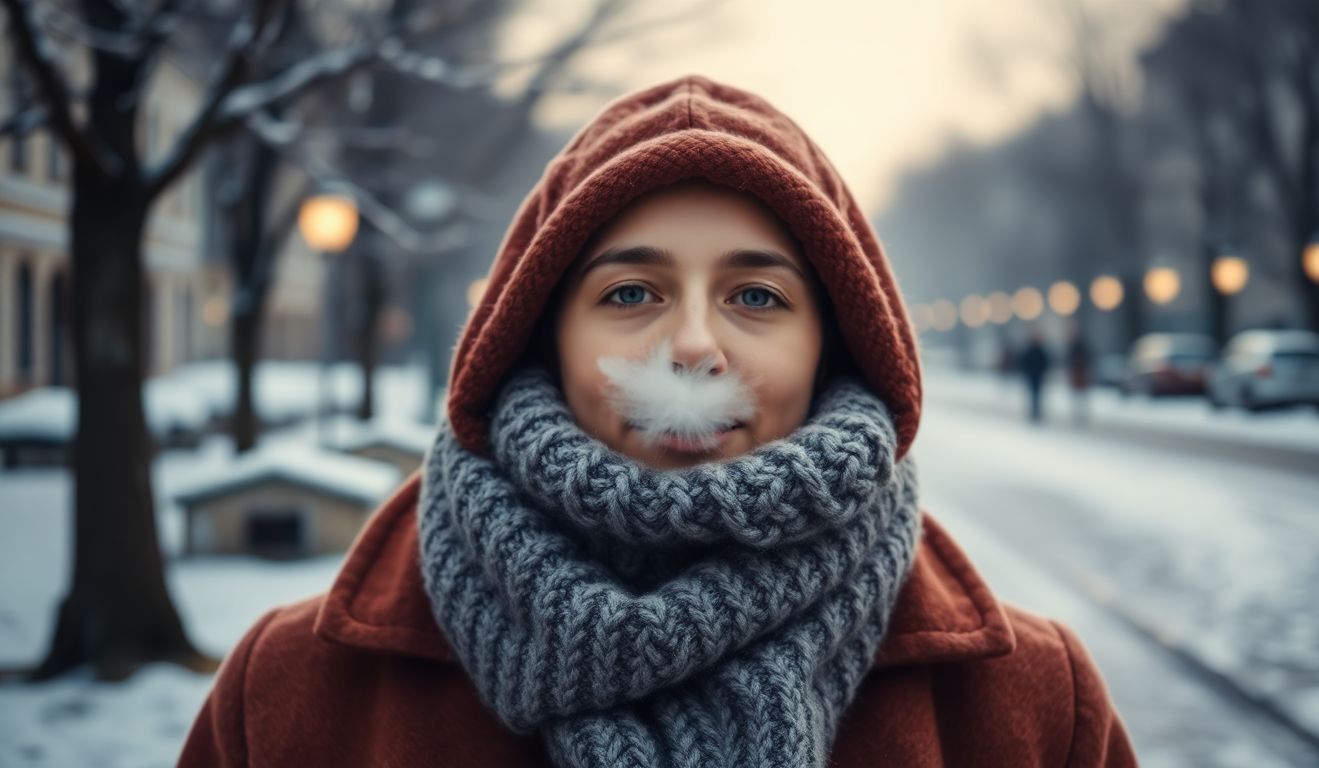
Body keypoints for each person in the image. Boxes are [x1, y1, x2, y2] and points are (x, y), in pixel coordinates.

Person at [180, 75, 1135, 767]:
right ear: (539, 339)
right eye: (632, 291)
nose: (691, 344)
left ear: (832, 346)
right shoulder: (289, 695)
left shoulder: (1034, 706)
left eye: (756, 298)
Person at [1019, 326, 1052, 424]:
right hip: (1031, 376)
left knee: (1038, 396)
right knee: (1032, 395)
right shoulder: (1030, 349)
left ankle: (1036, 412)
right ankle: (1033, 413)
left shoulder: (1040, 350)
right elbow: (1024, 362)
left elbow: (1045, 362)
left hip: (1038, 377)